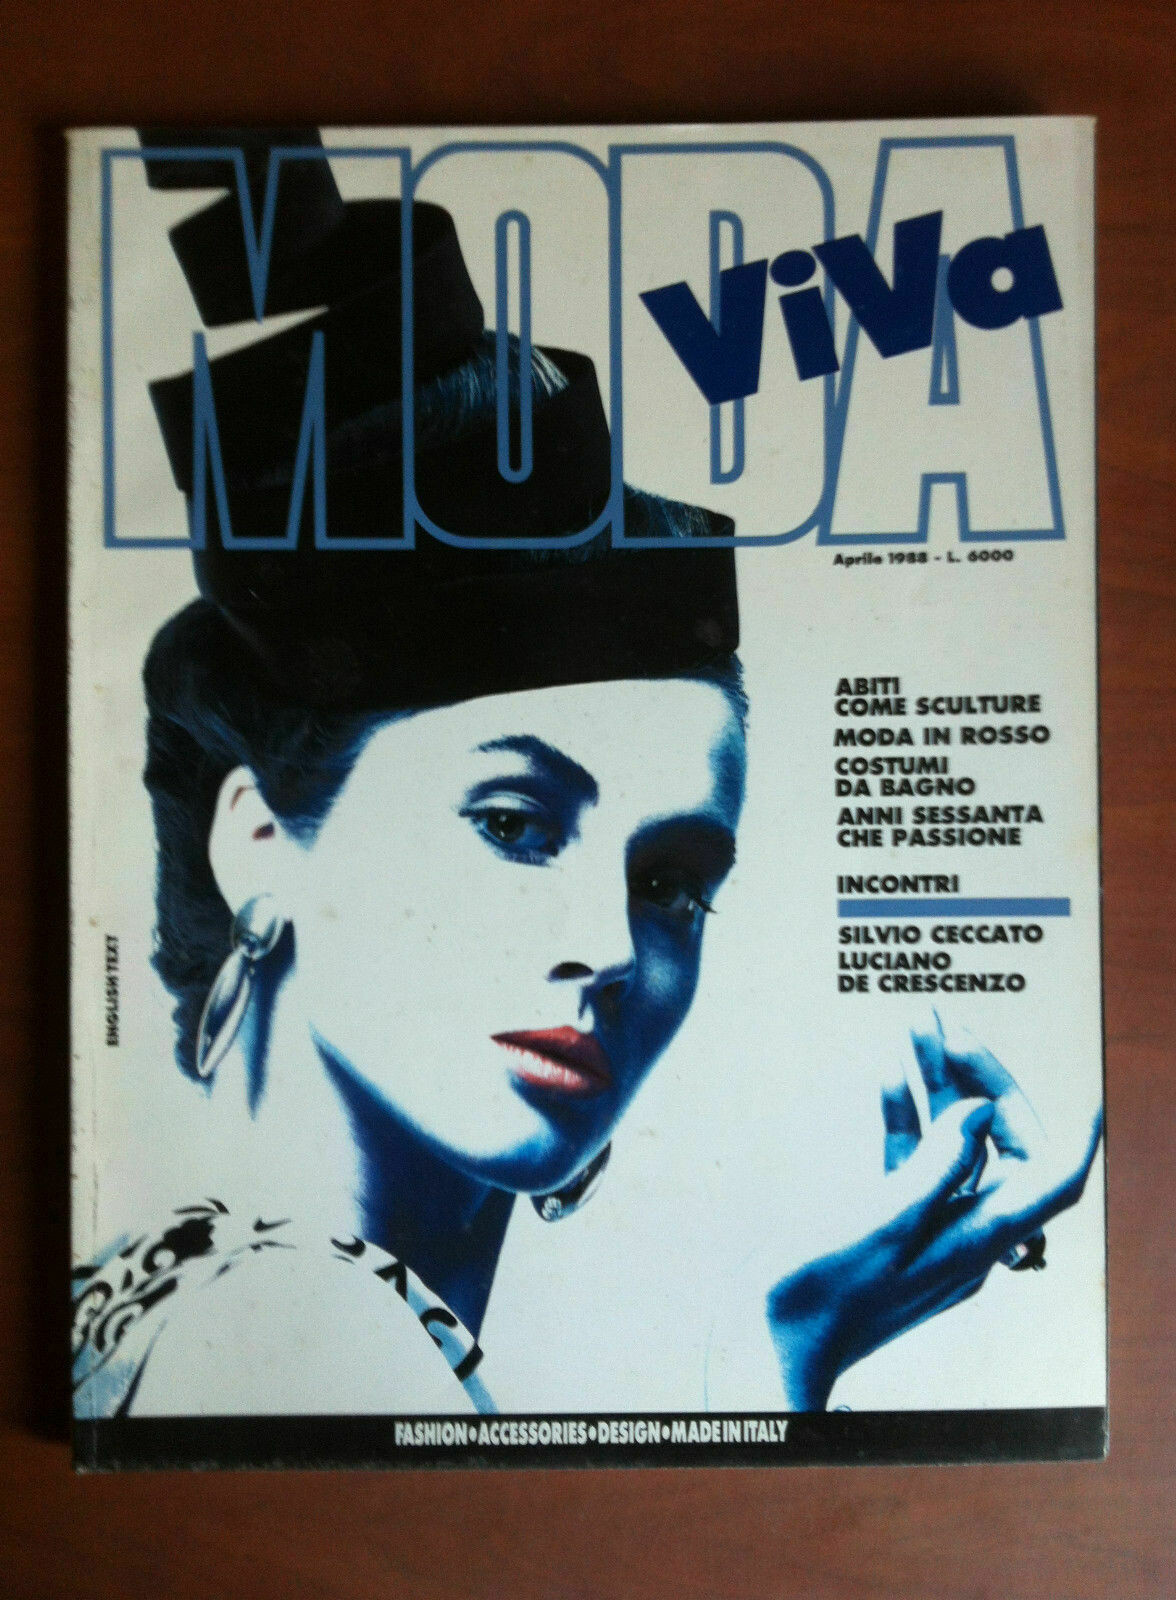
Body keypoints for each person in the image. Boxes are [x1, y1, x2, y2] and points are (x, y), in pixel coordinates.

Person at [72, 132, 1100, 1422]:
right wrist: (785, 1343)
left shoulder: (186, 1299)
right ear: (260, 837)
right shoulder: (287, 1321)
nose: (612, 948)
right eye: (513, 822)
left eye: (669, 883)